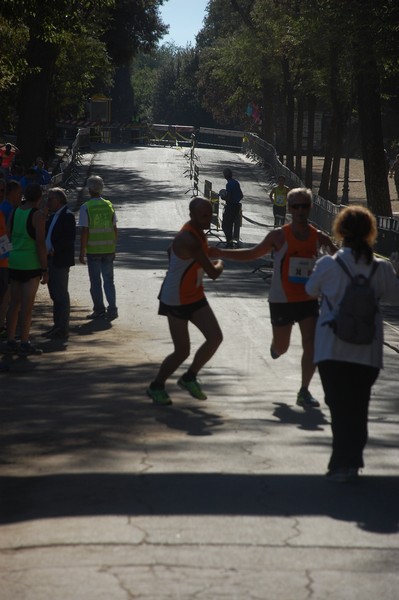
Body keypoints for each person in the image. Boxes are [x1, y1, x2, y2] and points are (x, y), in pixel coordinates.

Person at [209, 188, 337, 407]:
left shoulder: (319, 237)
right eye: (295, 206)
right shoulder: (278, 236)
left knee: (311, 344)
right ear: (288, 208)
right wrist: (221, 253)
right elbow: (252, 253)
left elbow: (340, 260)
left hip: (308, 299)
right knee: (282, 347)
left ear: (310, 208)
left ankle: (304, 390)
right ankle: (275, 347)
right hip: (281, 300)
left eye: (303, 206)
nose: (299, 210)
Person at [305, 205, 399, 482]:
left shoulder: (329, 264)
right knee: (359, 406)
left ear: (340, 231)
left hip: (331, 348)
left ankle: (339, 462)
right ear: (371, 233)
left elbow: (310, 290)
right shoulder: (381, 267)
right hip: (367, 350)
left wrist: (320, 260)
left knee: (338, 406)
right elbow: (395, 297)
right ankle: (353, 461)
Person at [147, 197, 224, 406]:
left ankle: (189, 377)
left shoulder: (197, 233)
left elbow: (169, 251)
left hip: (195, 294)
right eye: (204, 215)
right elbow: (213, 273)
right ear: (192, 215)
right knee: (182, 350)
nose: (208, 219)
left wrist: (177, 265)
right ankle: (157, 386)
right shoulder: (189, 238)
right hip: (176, 299)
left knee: (215, 337)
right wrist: (220, 262)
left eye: (210, 214)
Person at [5, 183, 48, 356]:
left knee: (14, 303)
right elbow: (40, 243)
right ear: (39, 198)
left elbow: (7, 235)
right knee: (27, 307)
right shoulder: (37, 215)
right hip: (30, 265)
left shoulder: (15, 211)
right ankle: (24, 340)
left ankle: (10, 339)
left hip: (14, 263)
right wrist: (44, 268)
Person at [79, 175, 118, 320]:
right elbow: (115, 228)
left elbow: (85, 231)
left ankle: (99, 309)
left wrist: (82, 251)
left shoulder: (86, 207)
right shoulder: (109, 205)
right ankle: (112, 309)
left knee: (95, 281)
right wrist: (114, 247)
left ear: (89, 189)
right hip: (108, 249)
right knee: (109, 281)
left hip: (93, 251)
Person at [42, 188, 76, 338]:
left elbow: (69, 239)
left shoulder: (67, 216)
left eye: (51, 199)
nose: (48, 202)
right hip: (50, 259)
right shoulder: (51, 216)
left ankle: (62, 327)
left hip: (59, 260)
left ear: (59, 200)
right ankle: (57, 325)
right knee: (55, 294)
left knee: (60, 294)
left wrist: (55, 249)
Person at [0, 180, 23, 337]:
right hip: (4, 261)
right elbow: (6, 237)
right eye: (18, 191)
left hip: (6, 259)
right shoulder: (7, 209)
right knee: (6, 296)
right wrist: (8, 255)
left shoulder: (6, 209)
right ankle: (4, 327)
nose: (21, 194)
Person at [221, 168, 243, 247]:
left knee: (225, 225)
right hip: (236, 206)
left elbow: (228, 196)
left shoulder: (229, 184)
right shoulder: (236, 182)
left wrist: (224, 198)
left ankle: (229, 243)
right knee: (230, 225)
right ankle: (230, 242)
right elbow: (241, 195)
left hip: (231, 206)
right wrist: (236, 201)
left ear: (225, 175)